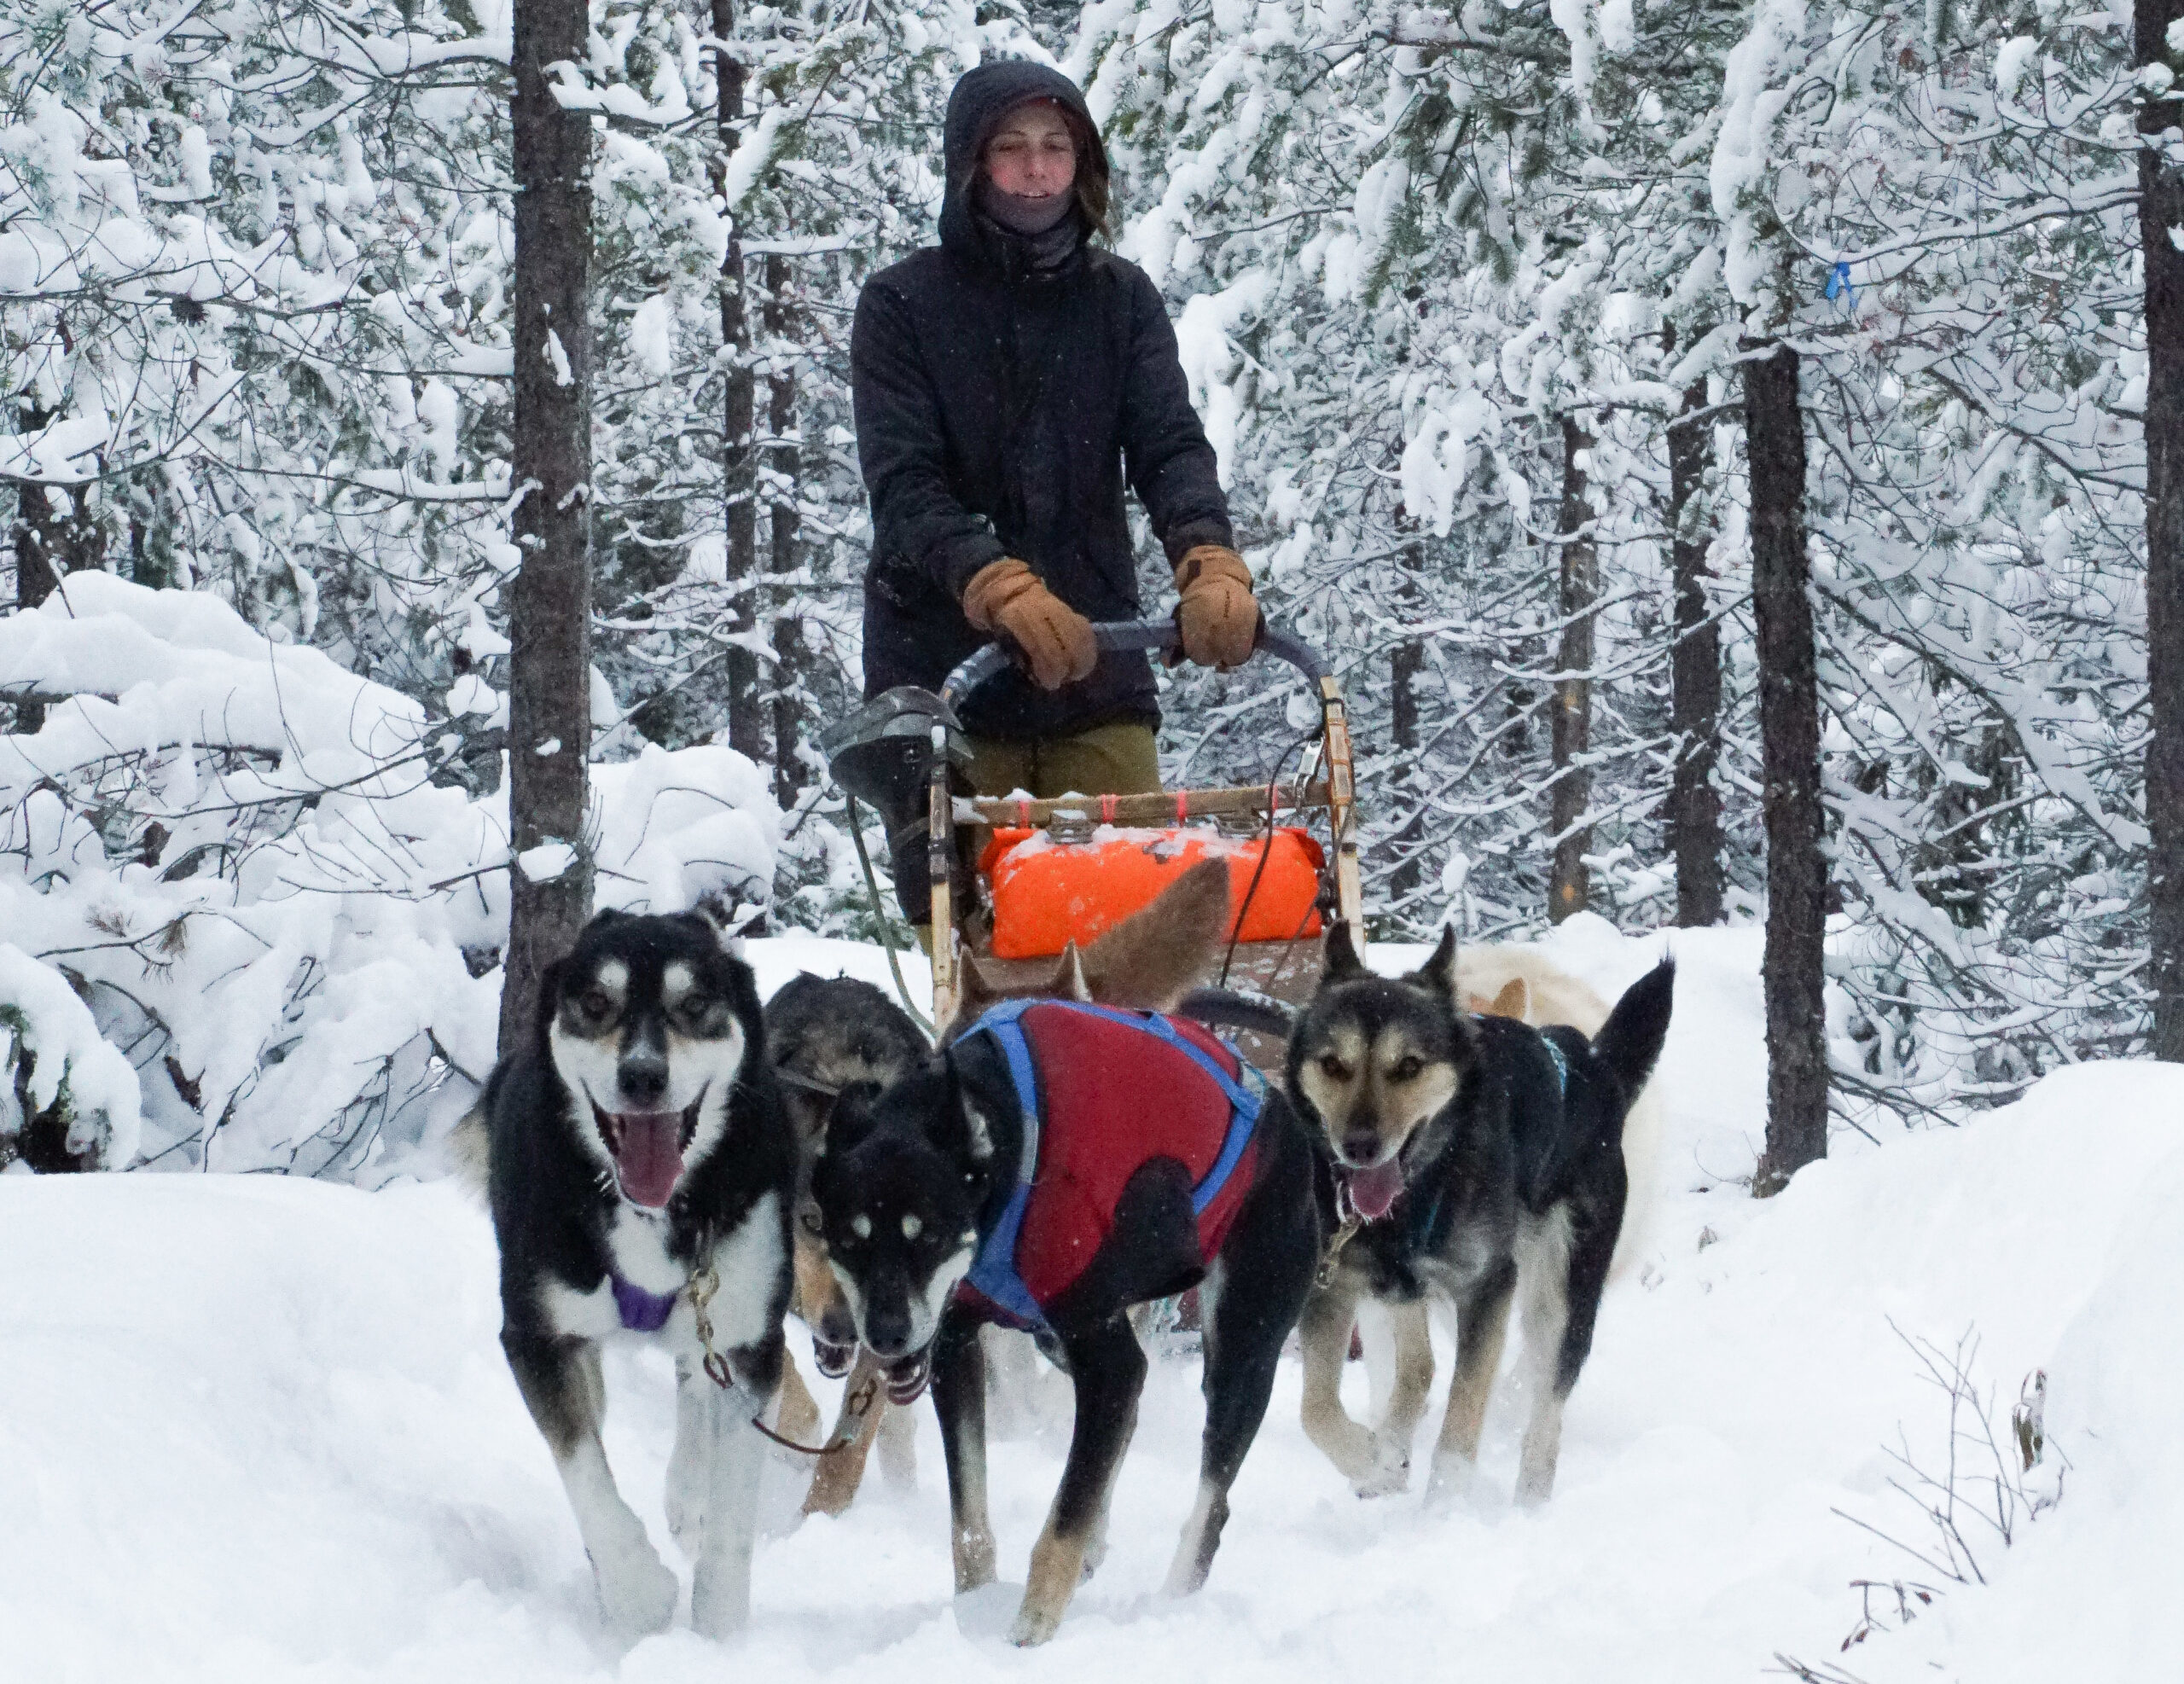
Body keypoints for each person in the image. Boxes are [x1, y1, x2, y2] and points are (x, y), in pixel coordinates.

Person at [851, 59, 1258, 929]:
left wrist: (1207, 555)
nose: (1037, 171)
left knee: (1131, 931)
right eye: (1011, 149)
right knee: (980, 943)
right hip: (944, 685)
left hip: (1093, 670)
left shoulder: (1117, 300)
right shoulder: (902, 306)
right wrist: (994, 582)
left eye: (1056, 148)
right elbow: (906, 486)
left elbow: (1169, 447)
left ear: (1084, 162)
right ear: (971, 163)